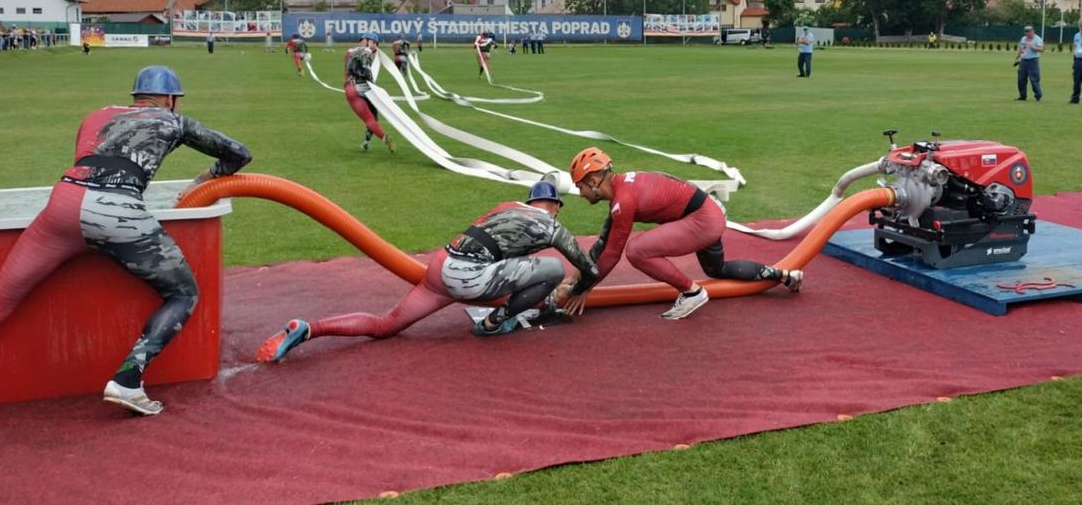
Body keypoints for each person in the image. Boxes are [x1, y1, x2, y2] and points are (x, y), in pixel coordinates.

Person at [0, 66, 251, 415]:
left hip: (61, 204)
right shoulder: (173, 121)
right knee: (184, 293)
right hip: (116, 211)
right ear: (171, 99)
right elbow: (239, 154)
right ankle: (128, 381)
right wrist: (203, 178)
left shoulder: (97, 115)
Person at [257, 181, 598, 362]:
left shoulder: (505, 206)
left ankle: (309, 328)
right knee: (554, 268)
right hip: (469, 277)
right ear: (555, 207)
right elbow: (585, 264)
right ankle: (495, 323)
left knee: (386, 324)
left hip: (441, 266)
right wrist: (581, 285)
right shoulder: (550, 225)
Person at [564, 147, 802, 320]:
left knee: (637, 251)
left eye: (580, 186)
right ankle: (783, 275)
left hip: (702, 218)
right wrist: (577, 275)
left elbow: (611, 255)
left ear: (594, 180)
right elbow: (603, 242)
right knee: (717, 269)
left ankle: (692, 292)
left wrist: (583, 288)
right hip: (705, 211)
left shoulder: (623, 201)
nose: (581, 193)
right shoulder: (622, 189)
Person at [344, 32, 395, 152]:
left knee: (368, 118)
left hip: (351, 88)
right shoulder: (366, 52)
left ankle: (372, 141)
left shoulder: (349, 52)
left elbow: (346, 72)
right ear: (371, 42)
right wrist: (373, 86)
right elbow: (367, 72)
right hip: (364, 86)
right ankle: (377, 140)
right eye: (376, 44)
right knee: (372, 117)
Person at [1015, 25, 1044, 102]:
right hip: (1023, 61)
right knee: (1021, 79)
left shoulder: (1037, 39)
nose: (1027, 34)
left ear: (1032, 31)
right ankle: (1022, 96)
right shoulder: (1023, 39)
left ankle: (1038, 95)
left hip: (1033, 61)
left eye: (1028, 32)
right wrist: (1017, 57)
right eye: (1026, 32)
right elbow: (1021, 48)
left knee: (1034, 79)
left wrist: (1033, 47)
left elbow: (1041, 49)